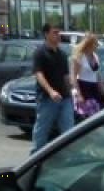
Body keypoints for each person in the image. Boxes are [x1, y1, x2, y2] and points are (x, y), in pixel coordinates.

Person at [31, 23, 73, 154]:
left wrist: (72, 91)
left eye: (58, 32)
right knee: (42, 130)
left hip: (65, 98)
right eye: (55, 32)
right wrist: (50, 91)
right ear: (46, 34)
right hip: (47, 99)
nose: (58, 35)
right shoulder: (40, 53)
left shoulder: (62, 54)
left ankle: (68, 156)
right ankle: (35, 158)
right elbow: (39, 74)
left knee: (69, 129)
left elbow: (66, 76)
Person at [71, 33, 104, 119]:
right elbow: (73, 76)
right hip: (83, 88)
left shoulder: (95, 57)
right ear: (89, 44)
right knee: (87, 117)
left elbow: (98, 77)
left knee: (96, 115)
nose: (97, 45)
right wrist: (79, 95)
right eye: (95, 43)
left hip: (94, 88)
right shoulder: (80, 57)